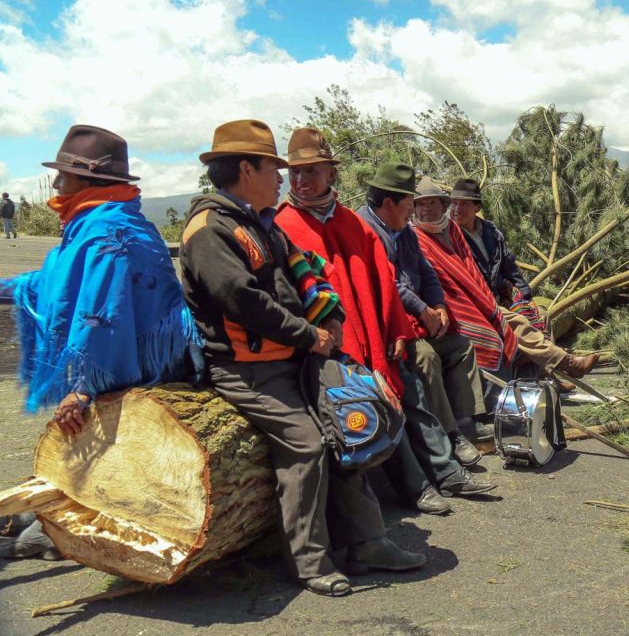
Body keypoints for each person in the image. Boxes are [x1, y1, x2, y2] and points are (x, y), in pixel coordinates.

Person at [180, 119, 424, 597]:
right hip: (246, 370)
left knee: (350, 425)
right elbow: (243, 300)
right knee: (306, 444)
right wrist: (309, 334)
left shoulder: (260, 223)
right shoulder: (209, 230)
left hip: (290, 357)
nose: (281, 177)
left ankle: (369, 541)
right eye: (274, 167)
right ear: (246, 168)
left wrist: (329, 315)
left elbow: (309, 271)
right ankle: (310, 562)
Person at [0, 125, 201, 560]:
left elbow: (103, 317)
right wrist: (7, 287)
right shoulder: (103, 220)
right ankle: (42, 513)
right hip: (136, 356)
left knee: (88, 428)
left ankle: (63, 525)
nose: (56, 184)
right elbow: (60, 283)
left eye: (63, 176)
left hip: (142, 366)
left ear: (87, 182)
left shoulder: (106, 230)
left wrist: (84, 386)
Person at [274, 129, 493, 514]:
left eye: (311, 171)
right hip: (331, 349)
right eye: (295, 173)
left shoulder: (349, 223)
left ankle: (447, 471)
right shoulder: (285, 225)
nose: (301, 181)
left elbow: (384, 280)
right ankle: (418, 486)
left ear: (331, 174)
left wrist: (396, 329)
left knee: (412, 387)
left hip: (377, 337)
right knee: (374, 403)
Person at [355, 164, 492, 447]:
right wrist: (422, 310)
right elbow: (389, 282)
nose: (414, 211)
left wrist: (439, 306)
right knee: (427, 357)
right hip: (392, 327)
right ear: (389, 202)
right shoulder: (366, 231)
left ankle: (470, 421)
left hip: (417, 317)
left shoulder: (403, 230)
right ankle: (449, 436)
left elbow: (425, 272)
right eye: (411, 203)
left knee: (461, 346)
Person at [414, 178, 595, 383]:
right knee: (514, 321)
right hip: (466, 305)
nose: (457, 209)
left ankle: (547, 375)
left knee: (540, 315)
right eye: (454, 203)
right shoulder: (439, 234)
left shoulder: (487, 233)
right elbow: (449, 281)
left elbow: (509, 268)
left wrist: (524, 297)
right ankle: (565, 362)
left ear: (477, 208)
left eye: (464, 204)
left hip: (488, 297)